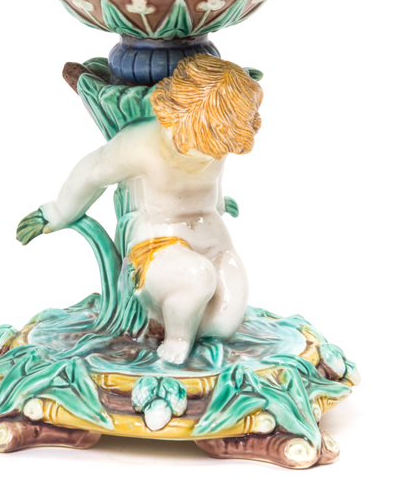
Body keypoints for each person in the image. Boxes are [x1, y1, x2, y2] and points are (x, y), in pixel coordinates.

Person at [38, 53, 263, 365]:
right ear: (175, 111)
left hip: (211, 236)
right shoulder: (142, 144)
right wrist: (60, 212)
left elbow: (215, 178)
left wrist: (221, 203)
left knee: (223, 321)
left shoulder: (218, 136)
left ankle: (183, 319)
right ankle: (177, 337)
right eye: (196, 141)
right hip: (158, 239)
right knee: (195, 277)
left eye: (217, 146)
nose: (205, 154)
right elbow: (90, 173)